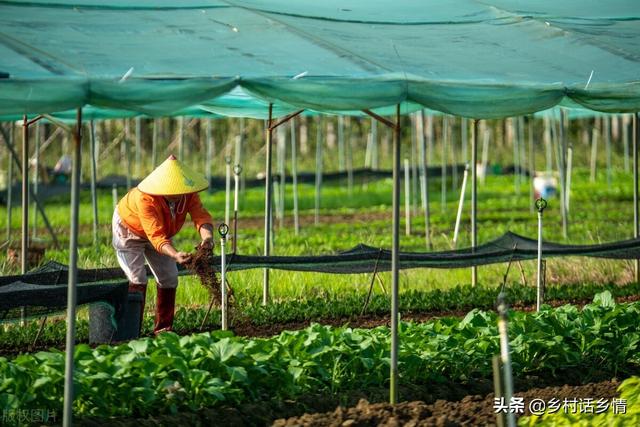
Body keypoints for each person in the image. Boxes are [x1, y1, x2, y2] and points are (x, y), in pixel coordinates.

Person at [112, 154, 214, 335]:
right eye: (171, 190)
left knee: (169, 277)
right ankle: (130, 332)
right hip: (129, 229)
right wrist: (174, 254)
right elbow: (156, 235)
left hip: (159, 233)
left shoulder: (189, 194)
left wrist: (207, 239)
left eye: (178, 190)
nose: (175, 194)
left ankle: (163, 330)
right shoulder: (146, 199)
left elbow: (201, 216)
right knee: (137, 279)